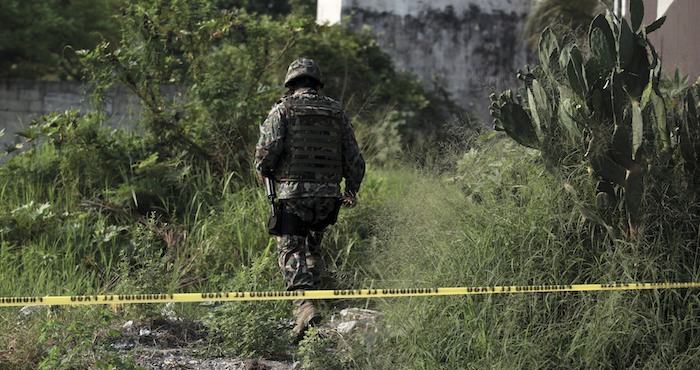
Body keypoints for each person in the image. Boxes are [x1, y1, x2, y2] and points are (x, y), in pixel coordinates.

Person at [254, 58, 365, 341]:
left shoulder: (283, 110)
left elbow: (265, 154)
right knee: (312, 250)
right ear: (317, 83)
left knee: (290, 250)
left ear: (291, 84)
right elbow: (354, 158)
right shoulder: (337, 112)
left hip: (294, 196)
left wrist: (267, 175)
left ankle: (304, 307)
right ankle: (316, 317)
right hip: (328, 198)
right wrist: (350, 190)